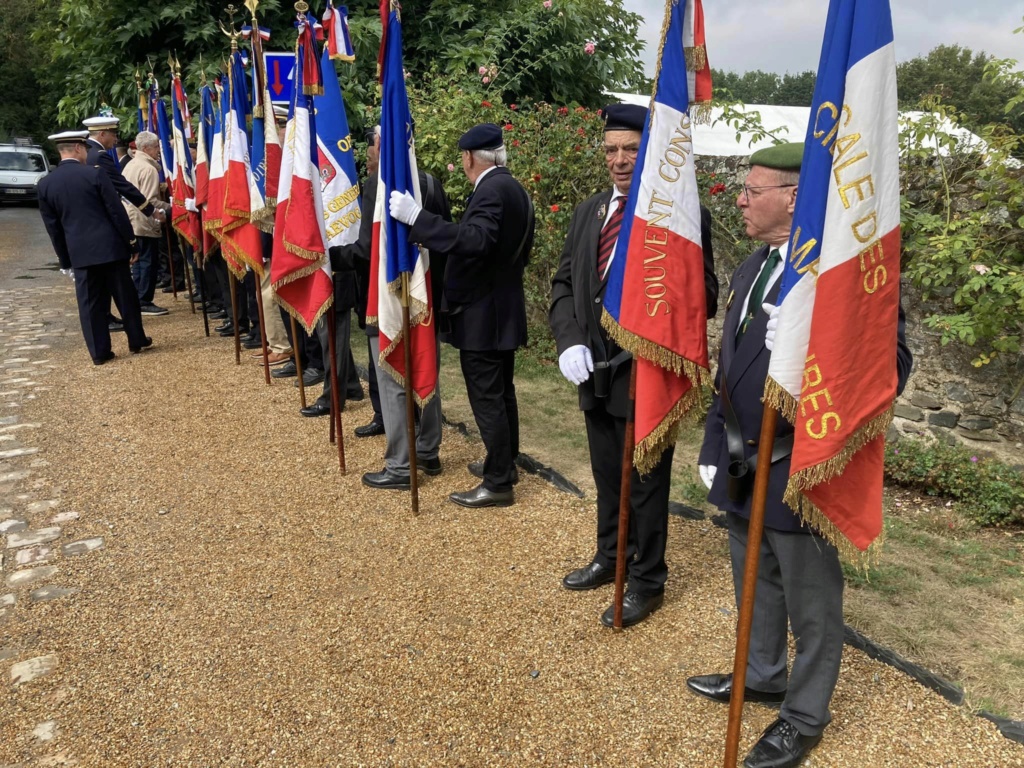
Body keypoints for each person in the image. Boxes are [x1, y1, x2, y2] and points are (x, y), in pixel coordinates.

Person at [687, 142, 913, 768]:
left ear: (793, 198)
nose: (739, 199)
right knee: (753, 581)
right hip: (741, 456)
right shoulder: (752, 266)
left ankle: (806, 714)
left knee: (813, 603)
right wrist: (714, 440)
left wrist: (815, 339)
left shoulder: (841, 274)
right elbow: (727, 366)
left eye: (751, 190)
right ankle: (762, 673)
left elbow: (888, 366)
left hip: (802, 462)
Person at [548, 103, 719, 628]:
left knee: (645, 482)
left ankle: (647, 580)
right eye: (611, 150)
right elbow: (562, 285)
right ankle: (611, 556)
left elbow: (704, 298)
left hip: (644, 373)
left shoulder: (681, 217)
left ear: (648, 152)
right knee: (605, 473)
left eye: (631, 149)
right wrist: (569, 341)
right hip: (591, 371)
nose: (620, 160)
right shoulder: (589, 212)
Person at [389, 122, 534, 508]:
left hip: (484, 314)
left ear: (469, 157)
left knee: (487, 397)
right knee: (502, 393)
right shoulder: (514, 188)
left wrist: (418, 219)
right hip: (502, 309)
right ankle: (504, 463)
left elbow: (475, 241)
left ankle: (499, 481)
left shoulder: (491, 190)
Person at [361, 125, 453, 489]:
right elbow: (444, 238)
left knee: (392, 377)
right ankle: (428, 451)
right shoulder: (429, 182)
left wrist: (333, 257)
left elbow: (368, 249)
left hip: (386, 298)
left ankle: (400, 464)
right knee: (424, 365)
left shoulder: (375, 185)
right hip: (423, 297)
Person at [37, 131, 151, 365]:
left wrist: (65, 259)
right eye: (86, 149)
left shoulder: (46, 184)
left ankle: (99, 352)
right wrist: (131, 242)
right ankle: (136, 340)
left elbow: (53, 227)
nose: (88, 153)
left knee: (90, 305)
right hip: (110, 247)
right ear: (78, 148)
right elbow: (115, 211)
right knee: (125, 296)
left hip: (79, 252)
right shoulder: (94, 174)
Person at [122, 131, 171, 316]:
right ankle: (144, 300)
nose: (159, 150)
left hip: (131, 219)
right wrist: (171, 207)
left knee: (139, 263)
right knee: (147, 262)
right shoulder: (148, 169)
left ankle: (138, 298)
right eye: (156, 147)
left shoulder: (131, 165)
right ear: (145, 148)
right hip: (144, 220)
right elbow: (151, 201)